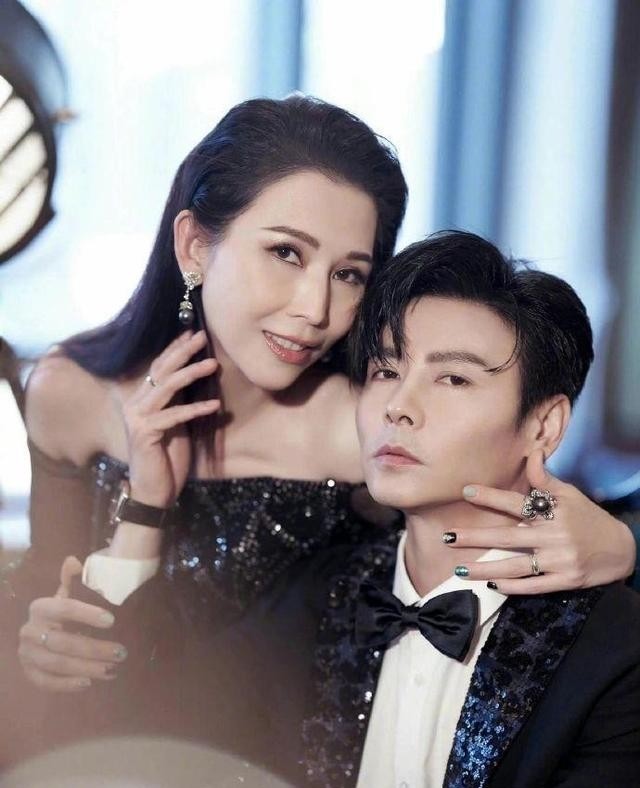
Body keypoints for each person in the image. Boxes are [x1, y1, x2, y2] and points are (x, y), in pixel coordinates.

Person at [2, 96, 635, 773]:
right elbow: (49, 593)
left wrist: (622, 542)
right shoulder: (70, 392)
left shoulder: (371, 419)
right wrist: (43, 637)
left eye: (349, 274)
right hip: (105, 748)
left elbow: (505, 500)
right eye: (285, 253)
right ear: (195, 246)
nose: (316, 309)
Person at [302, 231, 640, 788]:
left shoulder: (615, 651)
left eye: (453, 378)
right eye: (386, 371)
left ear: (543, 426)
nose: (398, 407)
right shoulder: (311, 595)